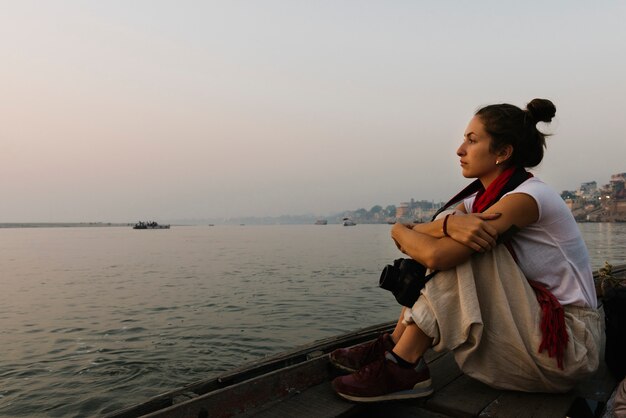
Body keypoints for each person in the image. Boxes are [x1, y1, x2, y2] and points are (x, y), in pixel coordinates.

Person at [330, 99, 601, 402]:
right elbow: (427, 233)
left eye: (472, 141)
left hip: (569, 347)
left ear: (503, 152)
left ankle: (404, 364)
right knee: (455, 242)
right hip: (533, 330)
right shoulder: (479, 202)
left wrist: (420, 230)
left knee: (469, 249)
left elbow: (436, 255)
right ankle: (395, 343)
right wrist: (435, 226)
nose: (460, 149)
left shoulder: (527, 198)